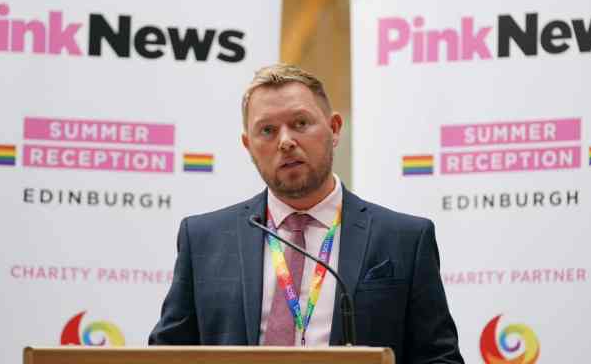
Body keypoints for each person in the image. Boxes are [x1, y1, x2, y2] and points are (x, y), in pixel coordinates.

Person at [149, 64, 464, 363]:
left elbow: (438, 358)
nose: (285, 141)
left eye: (300, 123)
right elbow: (166, 355)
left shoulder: (405, 239)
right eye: (268, 130)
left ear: (334, 128)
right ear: (248, 145)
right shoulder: (204, 239)